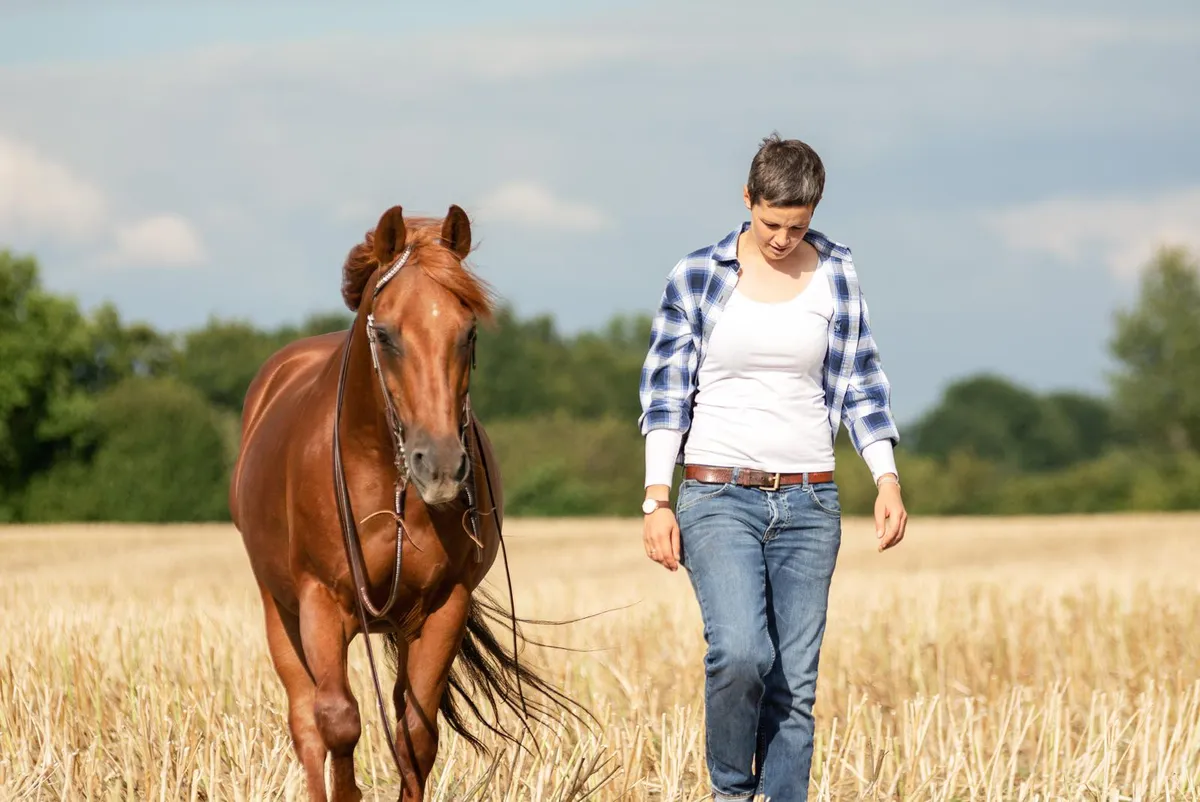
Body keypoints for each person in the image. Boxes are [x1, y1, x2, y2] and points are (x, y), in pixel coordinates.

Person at [637, 133, 908, 802]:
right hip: (715, 495)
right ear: (747, 200)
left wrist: (886, 477)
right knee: (741, 654)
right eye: (769, 223)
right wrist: (656, 497)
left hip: (810, 504)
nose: (782, 238)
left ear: (813, 211)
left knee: (793, 684)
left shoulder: (837, 272)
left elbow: (859, 382)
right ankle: (733, 790)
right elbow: (666, 387)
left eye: (796, 225)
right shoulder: (698, 274)